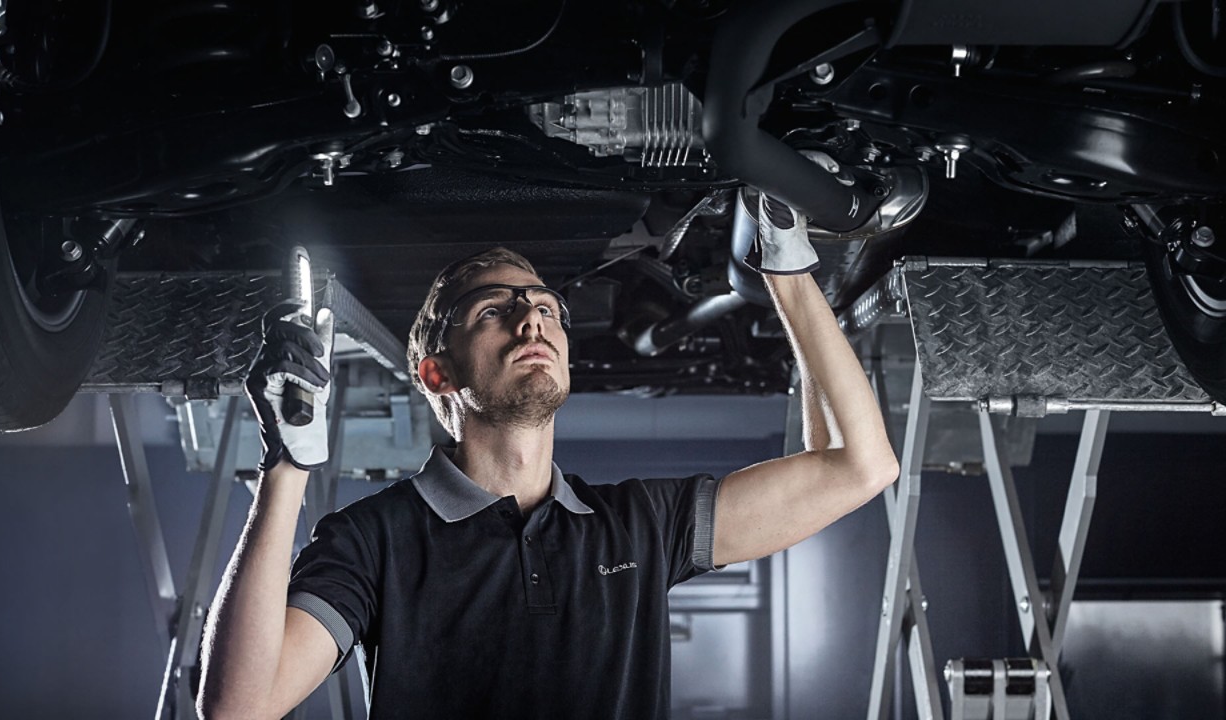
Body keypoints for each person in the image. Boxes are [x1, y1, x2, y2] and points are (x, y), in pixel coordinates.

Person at [197, 193, 900, 720]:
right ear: (437, 373)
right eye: (494, 311)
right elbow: (237, 709)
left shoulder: (641, 524)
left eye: (544, 306)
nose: (532, 317)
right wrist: (285, 466)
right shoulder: (372, 541)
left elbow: (858, 465)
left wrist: (784, 267)